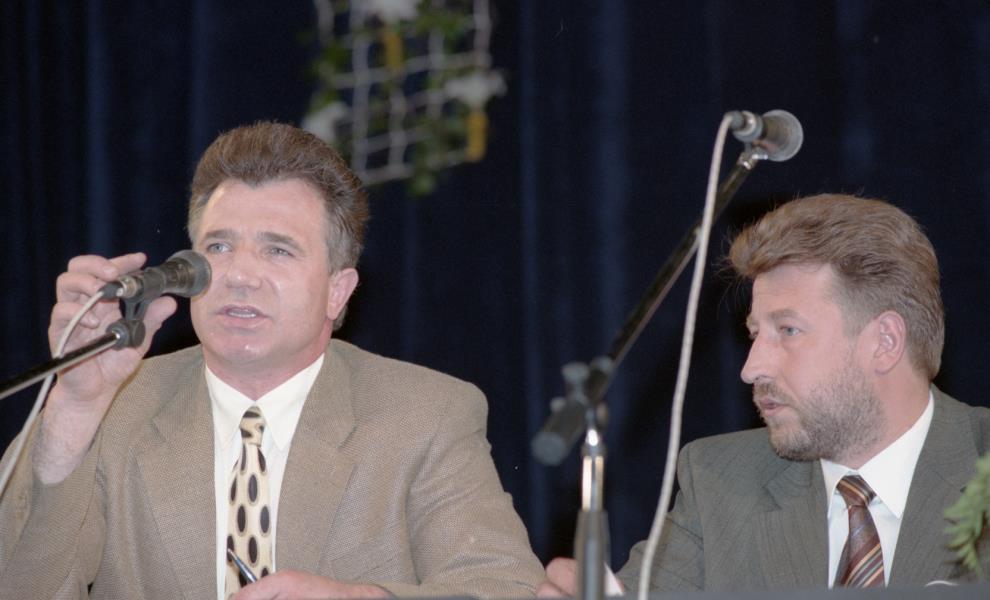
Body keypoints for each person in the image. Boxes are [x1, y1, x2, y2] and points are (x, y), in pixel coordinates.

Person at [0, 122, 544, 599]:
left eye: (277, 250)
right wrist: (74, 407)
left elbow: (504, 589)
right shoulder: (114, 408)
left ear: (337, 291)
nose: (239, 275)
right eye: (218, 247)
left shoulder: (425, 416)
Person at [539, 194, 990, 594]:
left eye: (788, 330)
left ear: (885, 342)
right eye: (755, 334)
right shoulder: (719, 482)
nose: (751, 368)